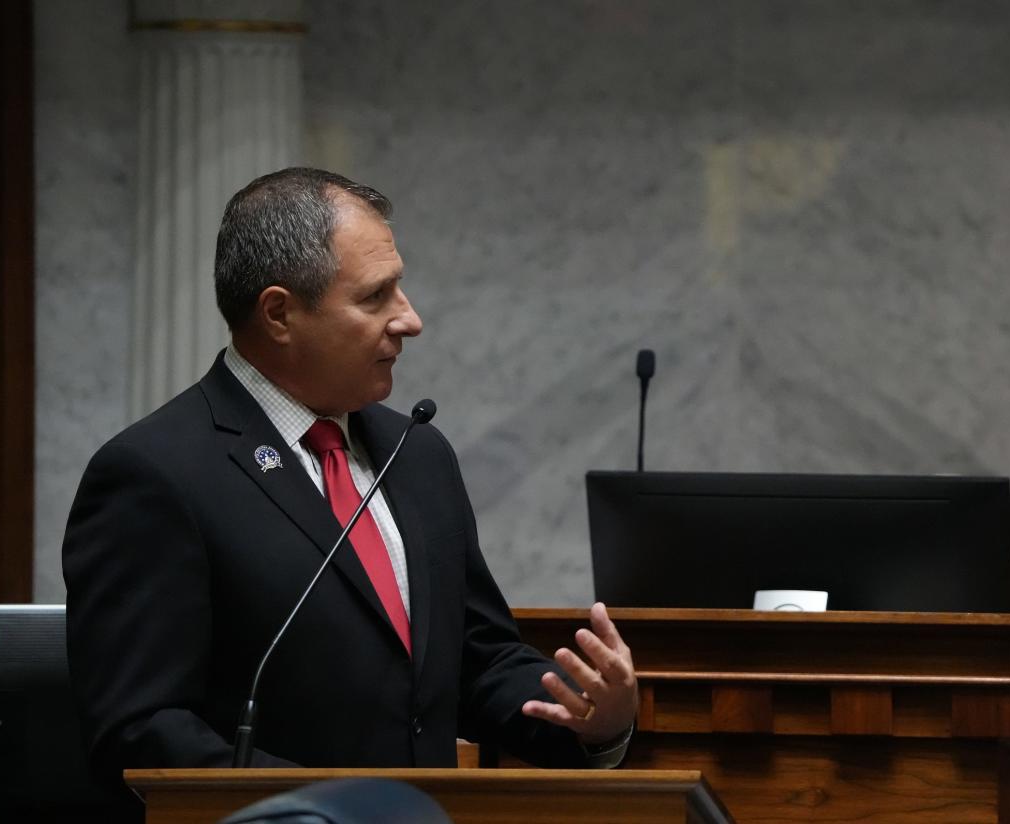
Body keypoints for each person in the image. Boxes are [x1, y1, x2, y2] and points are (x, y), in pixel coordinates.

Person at [62, 167, 638, 775]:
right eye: (374, 297)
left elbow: (476, 660)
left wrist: (584, 715)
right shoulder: (154, 474)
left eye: (400, 289)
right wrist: (323, 811)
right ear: (280, 314)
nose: (409, 319)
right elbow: (140, 728)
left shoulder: (417, 453)